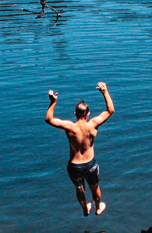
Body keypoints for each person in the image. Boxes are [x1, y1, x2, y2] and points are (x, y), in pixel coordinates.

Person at [46, 82, 115, 216]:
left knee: (79, 188)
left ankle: (85, 209)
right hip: (90, 164)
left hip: (74, 166)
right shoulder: (93, 125)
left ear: (75, 114)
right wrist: (105, 91)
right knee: (94, 187)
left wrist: (53, 102)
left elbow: (49, 119)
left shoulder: (69, 126)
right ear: (88, 113)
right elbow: (110, 110)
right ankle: (97, 208)